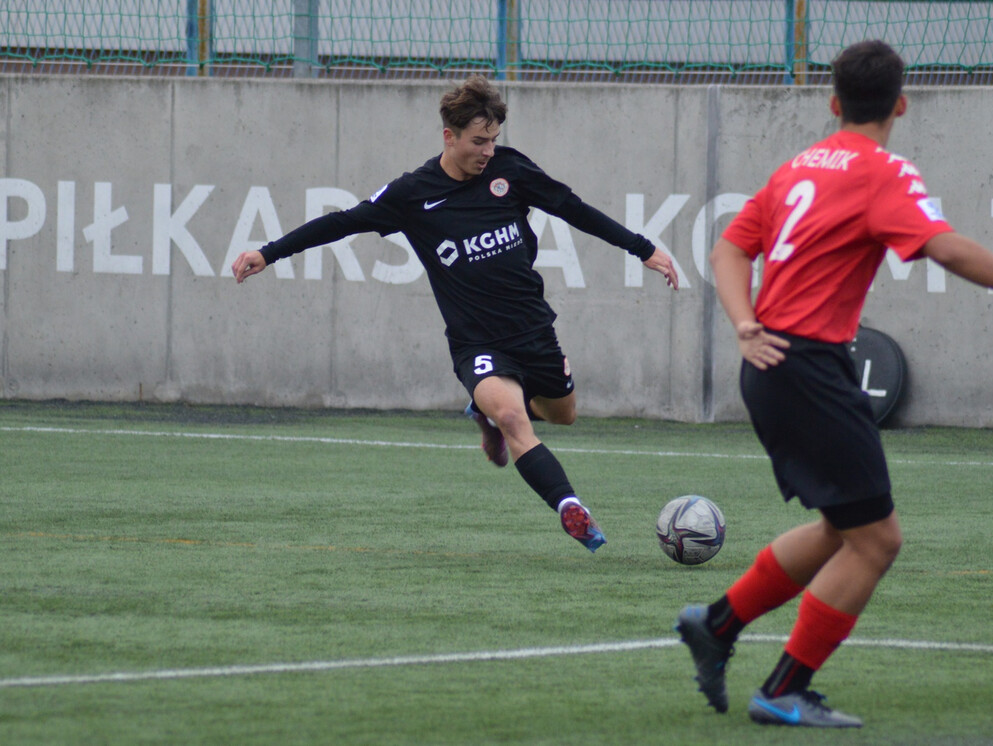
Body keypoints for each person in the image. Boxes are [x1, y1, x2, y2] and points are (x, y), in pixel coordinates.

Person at [676, 39, 993, 728]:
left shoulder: (798, 166)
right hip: (807, 367)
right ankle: (781, 689)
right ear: (900, 103)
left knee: (845, 527)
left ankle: (717, 624)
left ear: (833, 103)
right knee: (878, 540)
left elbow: (728, 247)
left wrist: (743, 322)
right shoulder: (882, 171)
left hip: (773, 363)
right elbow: (945, 246)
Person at [232, 75, 678, 553]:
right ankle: (570, 507)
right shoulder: (413, 194)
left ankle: (484, 415)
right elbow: (343, 222)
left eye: (493, 140)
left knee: (563, 415)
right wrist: (270, 252)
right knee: (512, 418)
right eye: (478, 141)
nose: (488, 151)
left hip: (533, 329)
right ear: (450, 136)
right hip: (477, 342)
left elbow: (574, 209)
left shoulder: (511, 172)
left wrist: (642, 248)